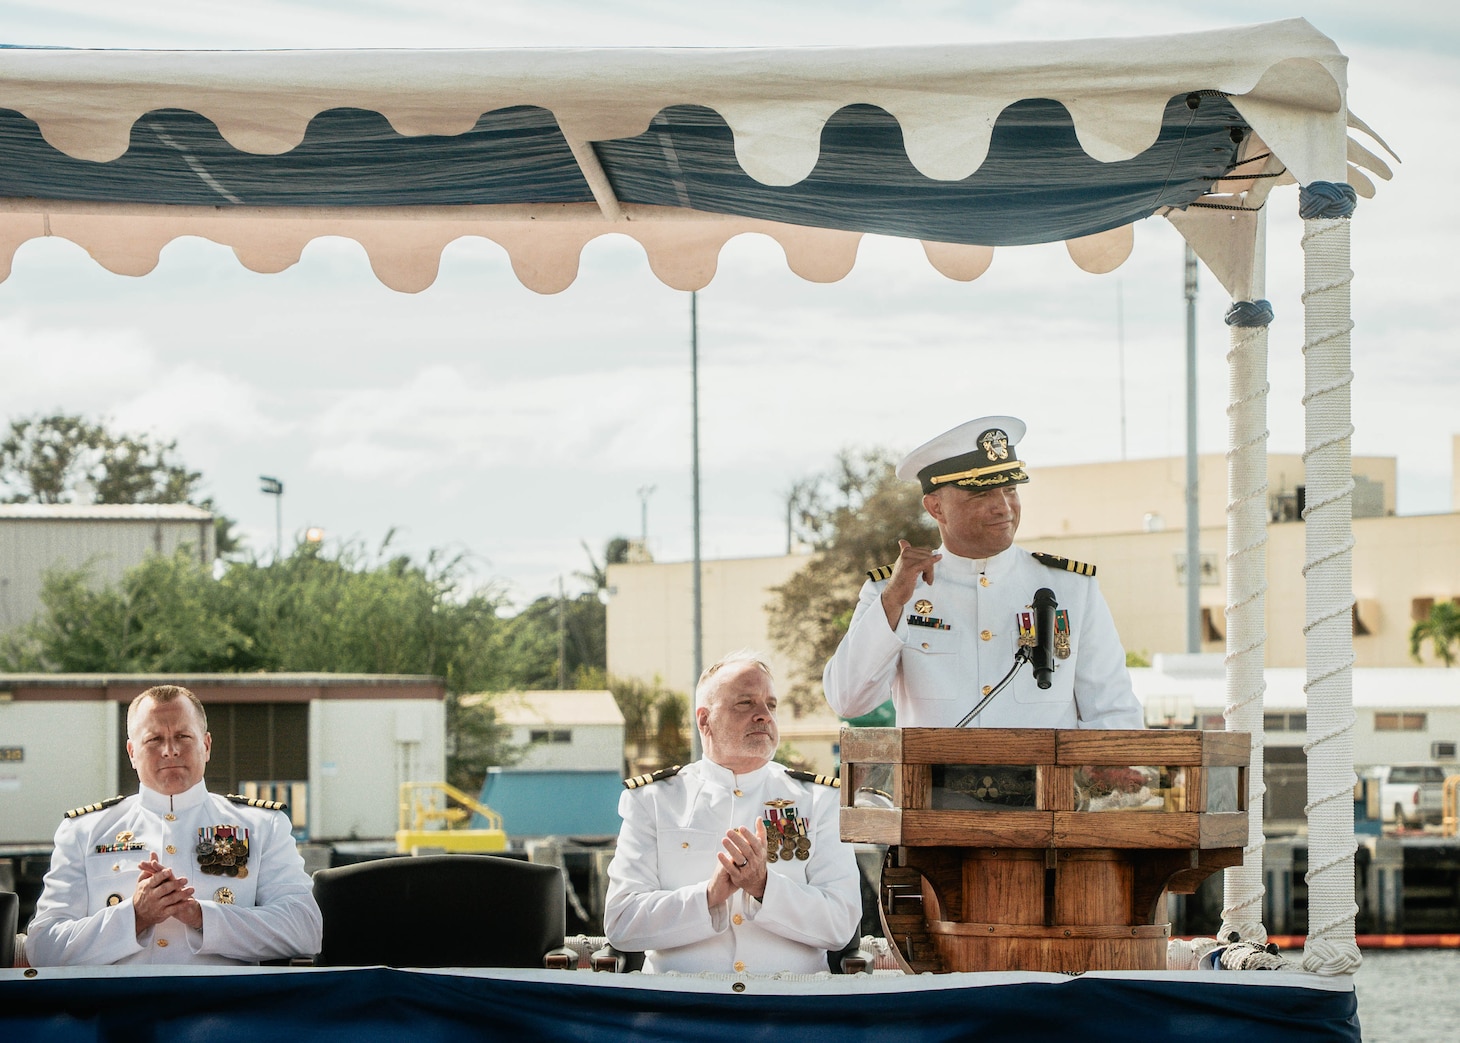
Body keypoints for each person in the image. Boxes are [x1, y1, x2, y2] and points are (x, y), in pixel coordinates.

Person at [823, 416, 1144, 730]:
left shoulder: (1071, 587)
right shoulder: (892, 590)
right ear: (935, 507)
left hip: (1044, 784)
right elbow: (848, 701)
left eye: (1010, 491)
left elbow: (1112, 710)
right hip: (933, 784)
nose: (1003, 507)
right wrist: (892, 602)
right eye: (983, 494)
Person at [26, 684, 323, 966]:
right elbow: (43, 947)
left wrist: (201, 917)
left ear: (206, 746)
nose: (170, 750)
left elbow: (304, 928)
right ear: (132, 753)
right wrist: (134, 916)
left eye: (183, 736)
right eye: (154, 739)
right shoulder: (84, 831)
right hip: (120, 1012)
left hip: (226, 1010)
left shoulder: (262, 826)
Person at [603, 651, 862, 974]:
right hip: (680, 1008)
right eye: (745, 703)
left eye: (770, 704)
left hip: (790, 1006)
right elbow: (622, 922)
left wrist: (764, 887)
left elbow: (841, 923)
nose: (764, 715)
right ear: (704, 720)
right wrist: (708, 897)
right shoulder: (653, 800)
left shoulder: (819, 800)